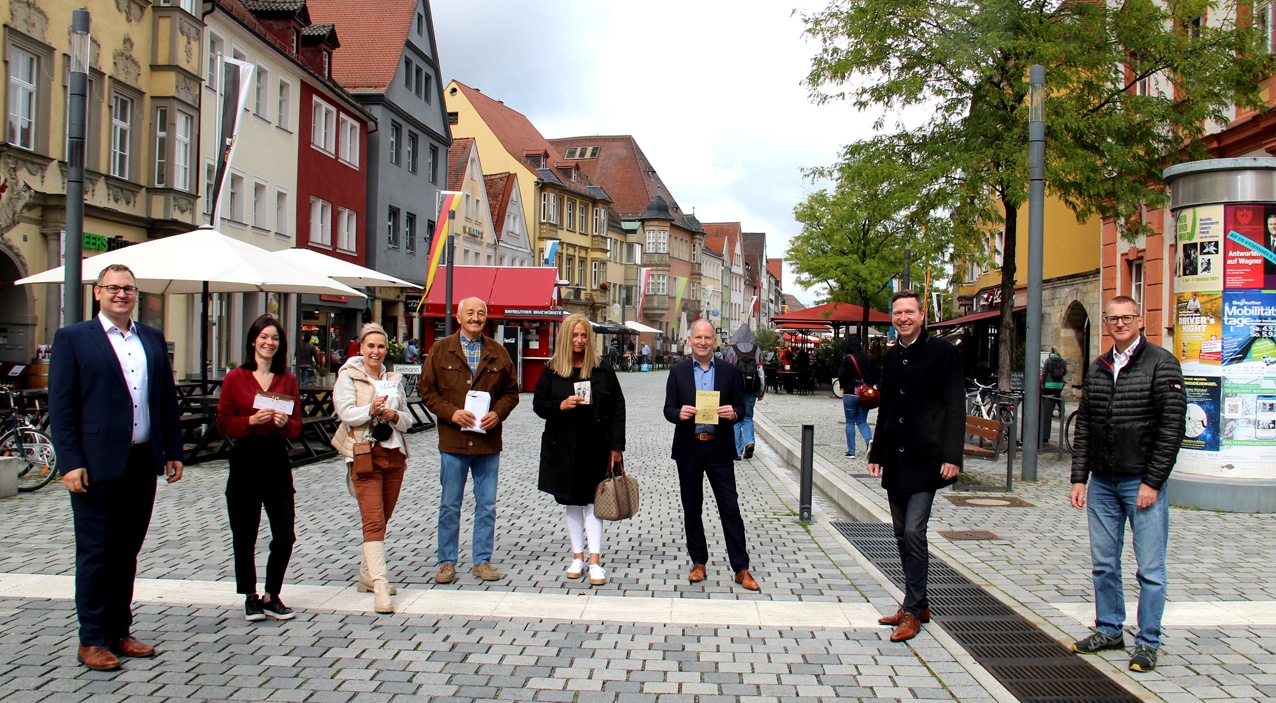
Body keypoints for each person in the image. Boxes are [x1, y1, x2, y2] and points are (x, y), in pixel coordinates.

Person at [48, 264, 184, 671]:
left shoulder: (151, 338)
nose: (120, 294)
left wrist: (173, 449)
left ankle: (118, 630)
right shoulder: (73, 338)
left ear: (136, 294)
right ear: (97, 293)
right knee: (96, 553)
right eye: (113, 288)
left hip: (142, 460)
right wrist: (70, 462)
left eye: (127, 288)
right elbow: (62, 406)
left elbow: (164, 399)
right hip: (95, 464)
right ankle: (91, 638)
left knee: (127, 551)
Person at [1069, 296, 1185, 673]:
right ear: (1106, 323)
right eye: (1113, 319)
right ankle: (1109, 628)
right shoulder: (1099, 366)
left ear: (1140, 321)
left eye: (1126, 318)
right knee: (1104, 563)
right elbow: (1085, 425)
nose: (1119, 324)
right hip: (1103, 481)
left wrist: (1153, 481)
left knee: (1150, 568)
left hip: (1141, 481)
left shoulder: (1162, 364)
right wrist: (1078, 477)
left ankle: (1148, 641)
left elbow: (1171, 430)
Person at [867, 291, 965, 642]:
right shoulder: (892, 357)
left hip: (928, 459)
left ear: (922, 316)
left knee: (913, 532)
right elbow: (887, 408)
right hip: (896, 457)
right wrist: (876, 453)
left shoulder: (943, 353)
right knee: (898, 532)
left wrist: (953, 456)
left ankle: (913, 612)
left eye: (909, 312)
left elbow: (956, 406)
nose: (903, 318)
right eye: (897, 313)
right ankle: (915, 601)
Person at [419, 297, 520, 584]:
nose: (476, 318)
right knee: (450, 504)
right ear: (459, 317)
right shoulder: (441, 350)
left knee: (486, 504)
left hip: (487, 443)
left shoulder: (498, 353)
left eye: (481, 313)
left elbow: (512, 392)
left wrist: (498, 414)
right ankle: (447, 562)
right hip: (453, 442)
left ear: (486, 319)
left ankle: (482, 560)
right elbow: (427, 391)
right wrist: (451, 413)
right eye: (470, 313)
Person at [216, 315, 303, 622]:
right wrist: (249, 422)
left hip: (276, 458)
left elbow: (297, 427)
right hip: (245, 458)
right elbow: (223, 422)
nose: (269, 343)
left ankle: (272, 593)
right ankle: (250, 596)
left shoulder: (287, 380)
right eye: (264, 337)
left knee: (284, 534)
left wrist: (284, 423)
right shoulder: (236, 378)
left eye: (275, 338)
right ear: (253, 340)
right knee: (245, 533)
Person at [663, 319, 759, 591]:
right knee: (692, 509)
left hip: (719, 447)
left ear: (715, 341)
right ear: (690, 340)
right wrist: (678, 414)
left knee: (730, 508)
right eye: (698, 338)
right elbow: (668, 409)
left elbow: (741, 408)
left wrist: (735, 413)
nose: (703, 342)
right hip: (689, 447)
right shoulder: (678, 372)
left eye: (708, 338)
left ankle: (741, 568)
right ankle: (698, 562)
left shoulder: (729, 372)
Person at [533, 314, 627, 586]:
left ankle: (595, 561)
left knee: (593, 503)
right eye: (574, 335)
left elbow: (618, 406)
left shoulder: (602, 368)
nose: (579, 340)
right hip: (562, 445)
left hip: (595, 445)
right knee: (571, 502)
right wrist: (559, 405)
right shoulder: (553, 369)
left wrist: (616, 446)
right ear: (565, 337)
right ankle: (578, 557)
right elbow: (538, 404)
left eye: (584, 335)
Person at [333, 322, 413, 613]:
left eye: (380, 346)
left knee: (384, 517)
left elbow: (408, 420)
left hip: (394, 455)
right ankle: (380, 584)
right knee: (373, 520)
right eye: (370, 346)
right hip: (364, 454)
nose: (375, 351)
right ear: (361, 348)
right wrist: (370, 410)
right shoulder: (349, 377)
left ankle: (367, 577)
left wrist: (393, 414)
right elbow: (345, 413)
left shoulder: (393, 378)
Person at [723, 324, 765, 460]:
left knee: (735, 418)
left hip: (736, 389)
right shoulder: (756, 350)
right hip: (751, 389)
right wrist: (761, 391)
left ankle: (737, 451)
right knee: (747, 417)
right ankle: (749, 442)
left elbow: (727, 371)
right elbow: (761, 372)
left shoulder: (732, 349)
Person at [838, 336, 879, 459]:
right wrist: (869, 385)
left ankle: (851, 451)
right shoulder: (869, 359)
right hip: (865, 394)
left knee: (850, 421)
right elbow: (878, 375)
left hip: (850, 393)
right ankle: (869, 440)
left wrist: (843, 386)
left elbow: (842, 376)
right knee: (861, 421)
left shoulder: (847, 359)